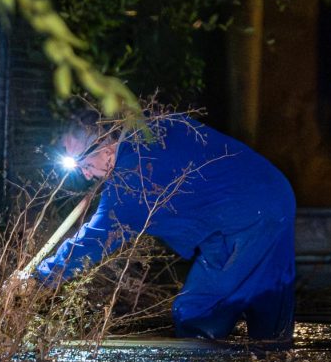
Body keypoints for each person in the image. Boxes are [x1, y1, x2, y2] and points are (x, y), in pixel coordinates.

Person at [36, 111, 297, 343]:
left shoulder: (132, 181)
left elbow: (92, 240)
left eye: (83, 164)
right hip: (263, 199)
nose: (85, 174)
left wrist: (40, 280)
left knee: (203, 312)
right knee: (265, 307)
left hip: (252, 216)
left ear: (106, 149)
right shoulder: (151, 128)